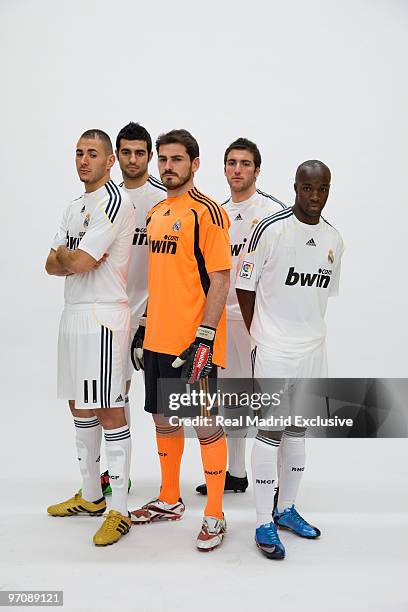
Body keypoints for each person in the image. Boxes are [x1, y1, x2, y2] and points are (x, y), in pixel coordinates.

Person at [236, 160, 344, 559]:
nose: (314, 197)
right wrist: (260, 337)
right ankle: (264, 520)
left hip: (313, 350)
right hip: (274, 351)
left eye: (322, 189)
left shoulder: (335, 239)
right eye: (307, 188)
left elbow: (317, 299)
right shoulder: (271, 229)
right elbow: (244, 286)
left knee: (298, 429)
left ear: (328, 189)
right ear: (295, 186)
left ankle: (286, 510)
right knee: (270, 433)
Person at [129, 129, 231, 551]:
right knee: (163, 419)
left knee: (205, 425)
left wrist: (205, 337)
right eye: (164, 159)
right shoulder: (156, 212)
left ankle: (216, 514)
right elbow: (162, 278)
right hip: (159, 339)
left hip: (194, 343)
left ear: (195, 163)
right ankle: (170, 500)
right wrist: (145, 323)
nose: (168, 166)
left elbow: (221, 278)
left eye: (177, 159)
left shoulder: (207, 212)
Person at [45, 129, 136, 546]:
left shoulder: (114, 202)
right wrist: (69, 259)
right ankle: (91, 495)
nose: (84, 160)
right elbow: (51, 264)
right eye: (79, 153)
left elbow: (78, 260)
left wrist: (69, 257)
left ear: (109, 160)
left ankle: (119, 509)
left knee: (109, 410)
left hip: (103, 316)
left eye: (93, 153)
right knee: (78, 404)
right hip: (73, 315)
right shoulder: (74, 205)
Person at [196, 137, 285, 495]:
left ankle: (275, 480)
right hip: (224, 321)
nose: (237, 169)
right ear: (224, 168)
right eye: (232, 163)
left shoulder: (273, 213)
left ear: (257, 170)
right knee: (231, 400)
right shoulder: (215, 213)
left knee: (269, 402)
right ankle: (235, 473)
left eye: (245, 163)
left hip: (261, 322)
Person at [97, 122, 166, 496]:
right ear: (116, 156)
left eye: (140, 152)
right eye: (126, 152)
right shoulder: (109, 198)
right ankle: (116, 477)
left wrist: (150, 316)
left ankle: (168, 486)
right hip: (113, 313)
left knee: (161, 404)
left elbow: (172, 266)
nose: (133, 159)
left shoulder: (161, 198)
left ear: (150, 156)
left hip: (154, 317)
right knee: (113, 396)